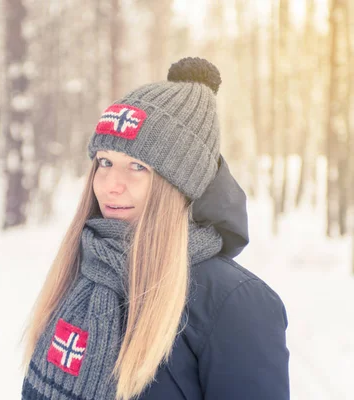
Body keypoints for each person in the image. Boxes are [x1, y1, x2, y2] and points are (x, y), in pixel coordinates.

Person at [19, 57, 289, 400]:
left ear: (180, 184)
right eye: (105, 162)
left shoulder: (235, 305)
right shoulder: (84, 268)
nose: (110, 186)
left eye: (137, 166)